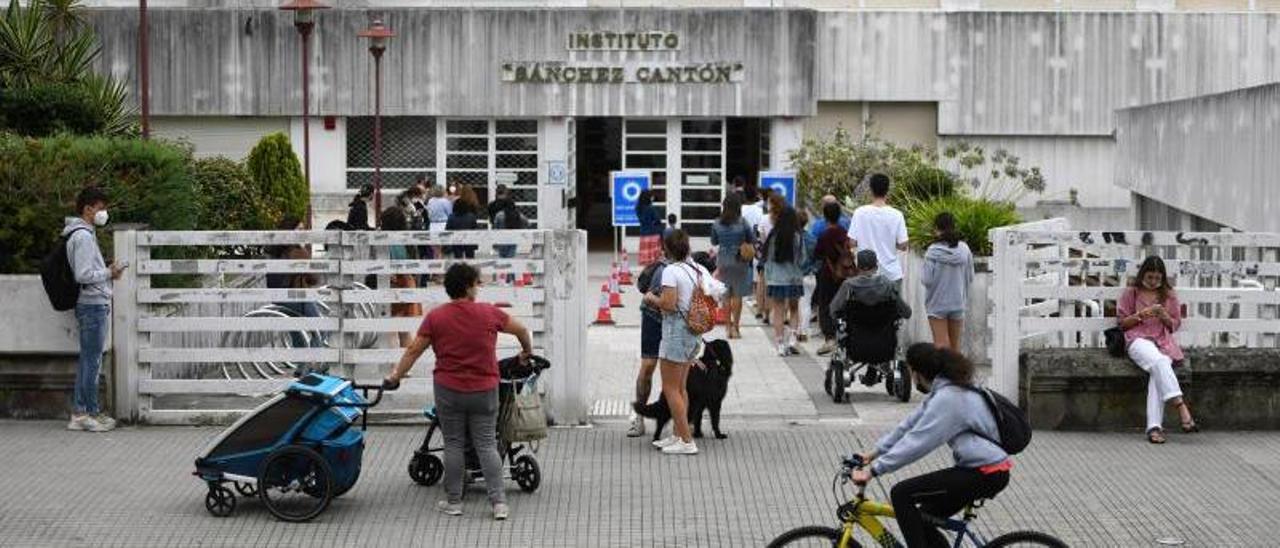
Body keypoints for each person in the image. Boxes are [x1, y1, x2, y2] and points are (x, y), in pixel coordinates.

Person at [384, 263, 534, 521]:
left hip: (448, 389)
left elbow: (413, 350)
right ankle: (498, 503)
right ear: (468, 286)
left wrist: (395, 376)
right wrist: (526, 352)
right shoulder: (489, 313)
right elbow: (521, 330)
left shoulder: (436, 317)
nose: (479, 287)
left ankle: (454, 502)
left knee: (453, 443)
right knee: (487, 443)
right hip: (484, 389)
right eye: (477, 283)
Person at [850, 344, 1012, 548]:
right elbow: (909, 426)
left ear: (916, 372)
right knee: (921, 518)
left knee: (901, 493)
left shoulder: (949, 399)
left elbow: (918, 442)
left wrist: (874, 471)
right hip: (981, 469)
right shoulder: (945, 391)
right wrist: (872, 454)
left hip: (985, 472)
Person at [640, 229, 711, 456]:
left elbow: (668, 304)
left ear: (666, 249)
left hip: (675, 333)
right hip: (692, 332)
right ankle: (680, 434)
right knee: (680, 387)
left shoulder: (671, 271)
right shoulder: (696, 268)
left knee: (670, 388)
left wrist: (651, 297)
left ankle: (687, 441)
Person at [1116, 256, 1198, 444]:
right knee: (1160, 362)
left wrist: (1164, 316)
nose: (1153, 282)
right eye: (1149, 278)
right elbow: (1122, 324)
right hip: (1137, 339)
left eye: (1157, 278)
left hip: (1163, 342)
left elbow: (1174, 325)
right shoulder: (1132, 293)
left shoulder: (1168, 295)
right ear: (1142, 275)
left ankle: (1154, 428)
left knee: (1157, 373)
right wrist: (1140, 315)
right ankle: (1181, 407)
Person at [64, 187, 124, 432]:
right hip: (92, 305)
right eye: (100, 208)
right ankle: (86, 413)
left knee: (90, 360)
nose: (103, 213)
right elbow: (83, 274)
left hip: (91, 304)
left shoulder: (83, 234)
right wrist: (109, 272)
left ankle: (82, 412)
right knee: (91, 362)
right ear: (87, 209)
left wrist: (106, 272)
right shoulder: (83, 237)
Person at [921, 212, 975, 352]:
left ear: (937, 229)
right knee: (955, 347)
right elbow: (970, 277)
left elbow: (926, 280)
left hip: (937, 304)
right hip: (958, 302)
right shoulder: (964, 249)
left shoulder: (932, 252)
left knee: (941, 346)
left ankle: (943, 374)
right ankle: (956, 374)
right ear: (953, 226)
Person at [628, 256, 668, 437]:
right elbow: (650, 299)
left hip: (676, 321)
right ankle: (639, 414)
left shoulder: (691, 268)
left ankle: (684, 419)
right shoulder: (662, 272)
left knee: (678, 370)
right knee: (648, 366)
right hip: (654, 318)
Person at [762, 206, 809, 357]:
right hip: (794, 278)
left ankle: (780, 344)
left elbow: (768, 259)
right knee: (794, 309)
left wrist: (768, 277)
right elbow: (803, 258)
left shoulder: (774, 235)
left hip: (776, 279)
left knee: (778, 311)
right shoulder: (798, 236)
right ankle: (793, 340)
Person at [849, 173, 909, 290]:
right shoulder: (897, 215)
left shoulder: (859, 213)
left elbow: (852, 242)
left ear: (871, 190)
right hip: (891, 275)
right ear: (887, 190)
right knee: (892, 308)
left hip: (866, 274)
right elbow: (904, 245)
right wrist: (892, 243)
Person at [709, 193, 755, 339]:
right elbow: (751, 239)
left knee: (726, 296)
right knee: (737, 295)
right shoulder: (743, 222)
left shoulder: (717, 223)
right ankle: (736, 328)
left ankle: (727, 327)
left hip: (723, 260)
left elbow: (714, 242)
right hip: (740, 261)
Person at [829, 250, 912, 329]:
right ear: (876, 267)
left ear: (858, 267)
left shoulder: (848, 286)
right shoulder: (888, 285)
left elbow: (833, 310)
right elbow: (907, 313)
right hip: (885, 338)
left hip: (855, 337)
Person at [813, 201, 853, 356]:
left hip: (828, 274)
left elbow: (817, 253)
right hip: (845, 274)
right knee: (842, 304)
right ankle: (843, 336)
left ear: (825, 216)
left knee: (825, 305)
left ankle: (830, 338)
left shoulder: (824, 234)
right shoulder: (845, 232)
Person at [381, 207, 422, 348]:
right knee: (404, 330)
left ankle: (394, 366)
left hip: (393, 282)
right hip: (408, 281)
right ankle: (406, 366)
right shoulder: (407, 240)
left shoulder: (386, 241)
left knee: (391, 329)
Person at [796, 209, 819, 343]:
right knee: (806, 304)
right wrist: (814, 269)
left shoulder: (791, 238)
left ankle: (797, 330)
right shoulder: (812, 238)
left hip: (795, 275)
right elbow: (818, 258)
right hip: (809, 275)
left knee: (795, 304)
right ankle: (803, 331)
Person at [446, 185, 480, 259]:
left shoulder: (458, 201)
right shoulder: (474, 202)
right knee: (470, 256)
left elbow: (450, 224)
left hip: (458, 230)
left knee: (458, 256)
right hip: (469, 229)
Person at [636, 190, 664, 266]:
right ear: (648, 197)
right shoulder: (651, 208)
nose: (652, 198)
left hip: (644, 234)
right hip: (653, 234)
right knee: (654, 258)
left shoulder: (638, 208)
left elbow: (642, 220)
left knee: (646, 257)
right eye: (651, 196)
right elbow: (657, 219)